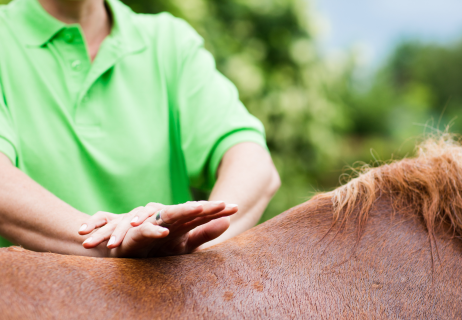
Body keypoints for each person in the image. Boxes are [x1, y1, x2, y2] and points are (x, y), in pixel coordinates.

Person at [0, 0, 281, 257]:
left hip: (167, 305)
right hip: (30, 308)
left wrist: (191, 240)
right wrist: (112, 242)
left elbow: (253, 162)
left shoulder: (168, 42)